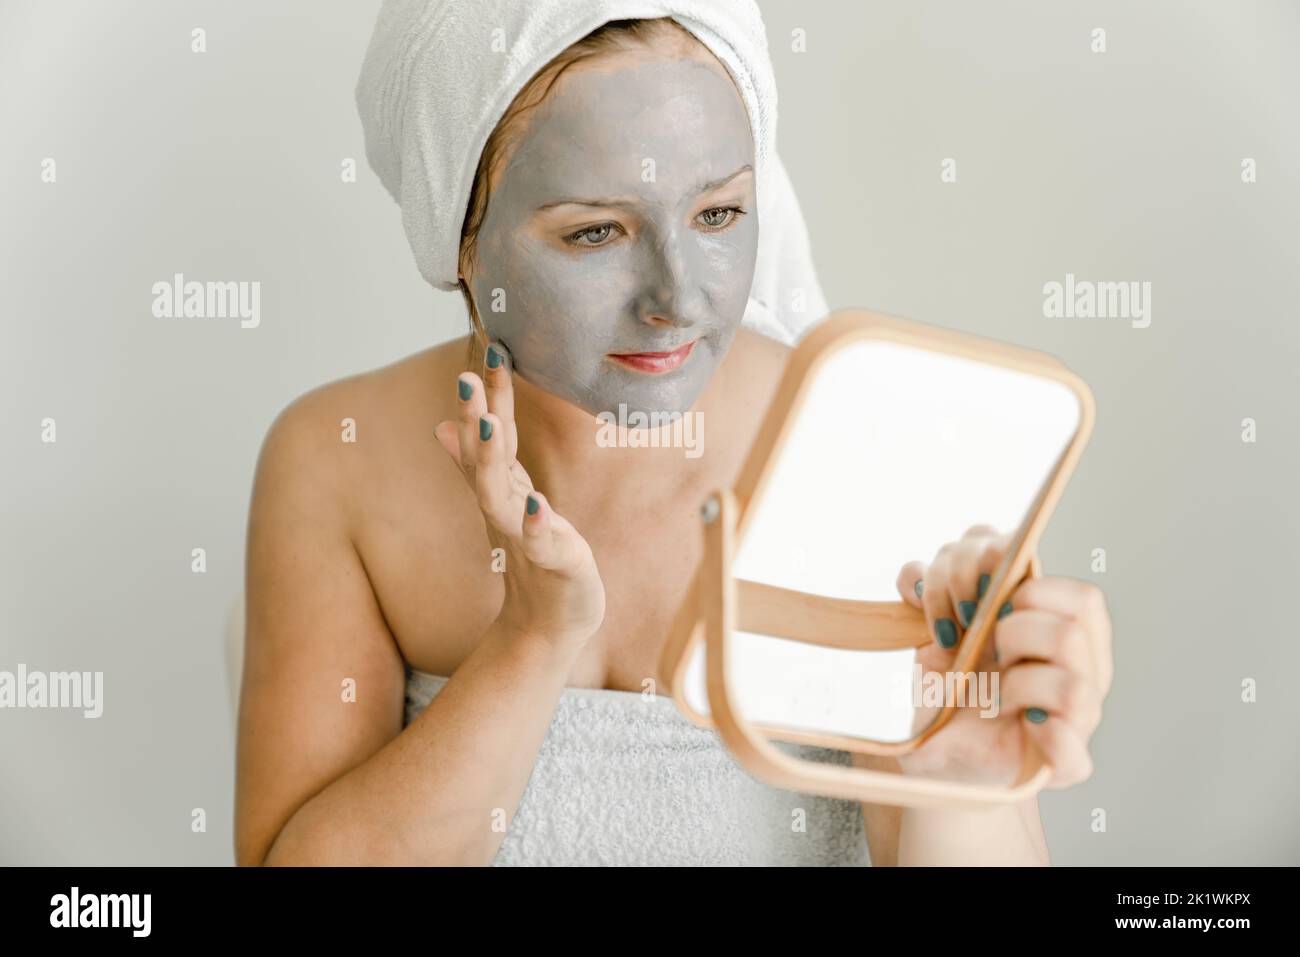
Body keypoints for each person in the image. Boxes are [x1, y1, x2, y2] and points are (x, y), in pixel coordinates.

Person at [234, 7, 1112, 867]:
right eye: (596, 231)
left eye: (719, 214)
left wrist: (950, 788)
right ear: (459, 235)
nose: (678, 300)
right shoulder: (336, 463)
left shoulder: (865, 443)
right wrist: (534, 637)